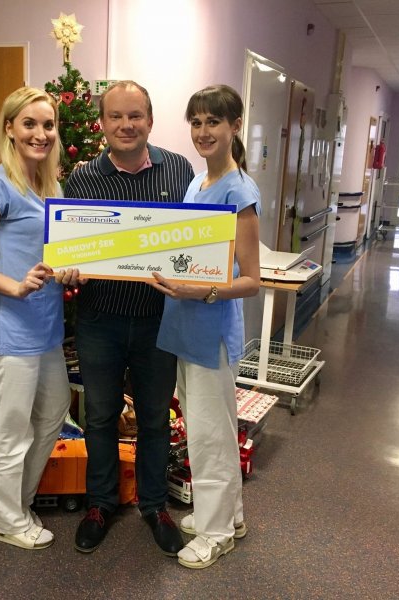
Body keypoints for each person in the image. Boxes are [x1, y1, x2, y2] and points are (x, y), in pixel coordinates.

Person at [64, 81, 195, 555]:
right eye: (116, 116)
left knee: (155, 419)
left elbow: (193, 237)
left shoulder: (178, 170)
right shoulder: (82, 179)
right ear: (101, 123)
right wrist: (69, 267)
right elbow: (69, 246)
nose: (126, 125)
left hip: (159, 321)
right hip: (99, 319)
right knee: (100, 416)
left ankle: (154, 506)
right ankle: (100, 504)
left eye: (135, 115)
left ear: (150, 120)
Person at [0, 86, 79, 550]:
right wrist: (13, 285)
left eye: (48, 125)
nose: (40, 134)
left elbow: (57, 253)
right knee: (9, 431)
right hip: (9, 328)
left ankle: (11, 502)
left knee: (54, 410)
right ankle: (7, 521)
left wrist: (71, 268)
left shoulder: (51, 186)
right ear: (9, 128)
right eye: (29, 124)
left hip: (46, 329)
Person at [150, 84, 261, 569]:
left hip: (211, 332)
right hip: (184, 328)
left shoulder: (239, 192)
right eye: (195, 122)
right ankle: (229, 515)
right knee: (205, 429)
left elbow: (252, 280)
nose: (202, 131)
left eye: (213, 121)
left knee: (211, 437)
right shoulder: (197, 183)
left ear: (235, 126)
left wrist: (200, 291)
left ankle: (216, 533)